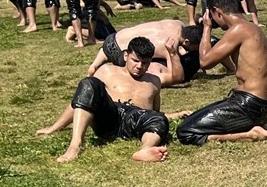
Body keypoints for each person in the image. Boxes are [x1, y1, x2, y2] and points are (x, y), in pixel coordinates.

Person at [36, 36, 178, 163]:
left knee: (159, 118)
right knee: (88, 83)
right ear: (125, 56)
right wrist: (54, 128)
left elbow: (155, 112)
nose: (139, 66)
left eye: (145, 63)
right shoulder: (107, 71)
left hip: (135, 119)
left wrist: (172, 115)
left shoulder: (154, 81)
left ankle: (146, 149)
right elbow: (84, 99)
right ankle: (75, 146)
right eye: (135, 60)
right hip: (109, 115)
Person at [176, 0, 267, 145]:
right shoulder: (250, 27)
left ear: (217, 12)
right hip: (260, 105)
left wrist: (206, 28)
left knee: (185, 131)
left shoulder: (238, 29)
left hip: (248, 106)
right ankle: (255, 124)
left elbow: (205, 62)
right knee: (195, 117)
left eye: (212, 16)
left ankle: (251, 134)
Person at [88, 18, 207, 86]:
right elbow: (177, 77)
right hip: (121, 54)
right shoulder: (170, 45)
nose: (194, 50)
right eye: (194, 47)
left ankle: (95, 64)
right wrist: (173, 54)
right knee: (156, 60)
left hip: (112, 39)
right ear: (186, 42)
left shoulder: (177, 23)